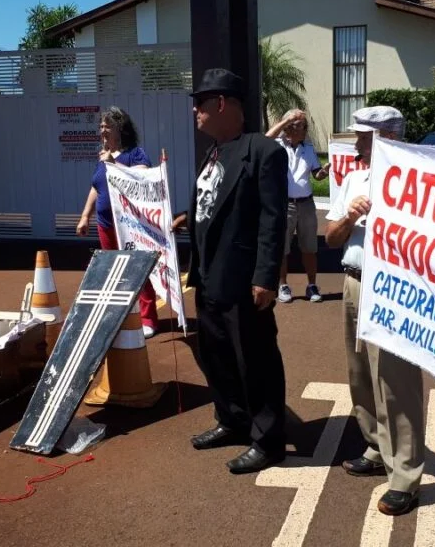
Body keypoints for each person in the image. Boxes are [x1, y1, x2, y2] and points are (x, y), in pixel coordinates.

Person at [185, 68, 289, 474]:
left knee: (257, 361)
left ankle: (268, 441)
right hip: (209, 278)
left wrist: (265, 277)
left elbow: (272, 220)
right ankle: (232, 420)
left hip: (244, 282)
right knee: (218, 358)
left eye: (200, 104)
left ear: (222, 103)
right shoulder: (211, 153)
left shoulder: (263, 151)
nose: (195, 111)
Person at [325, 105, 425, 516]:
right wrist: (350, 216)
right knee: (359, 371)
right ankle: (375, 445)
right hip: (354, 281)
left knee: (396, 380)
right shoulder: (353, 178)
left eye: (366, 135)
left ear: (391, 137)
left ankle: (404, 474)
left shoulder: (419, 182)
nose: (358, 142)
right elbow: (331, 239)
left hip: (394, 289)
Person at [76, 106, 160, 338]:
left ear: (120, 129)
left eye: (108, 126)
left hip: (130, 226)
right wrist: (85, 216)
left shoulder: (135, 154)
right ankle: (119, 316)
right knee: (113, 272)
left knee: (137, 270)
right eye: (101, 126)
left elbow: (141, 178)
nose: (102, 130)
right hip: (106, 225)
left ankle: (148, 319)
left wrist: (112, 161)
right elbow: (96, 187)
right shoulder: (102, 157)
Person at [265, 108, 327, 303]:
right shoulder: (276, 146)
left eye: (305, 126)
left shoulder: (308, 149)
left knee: (310, 248)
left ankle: (312, 285)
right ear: (289, 128)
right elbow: (264, 140)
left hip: (306, 204)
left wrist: (323, 173)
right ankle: (283, 285)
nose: (305, 130)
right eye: (301, 126)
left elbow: (316, 174)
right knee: (283, 248)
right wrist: (285, 121)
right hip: (285, 205)